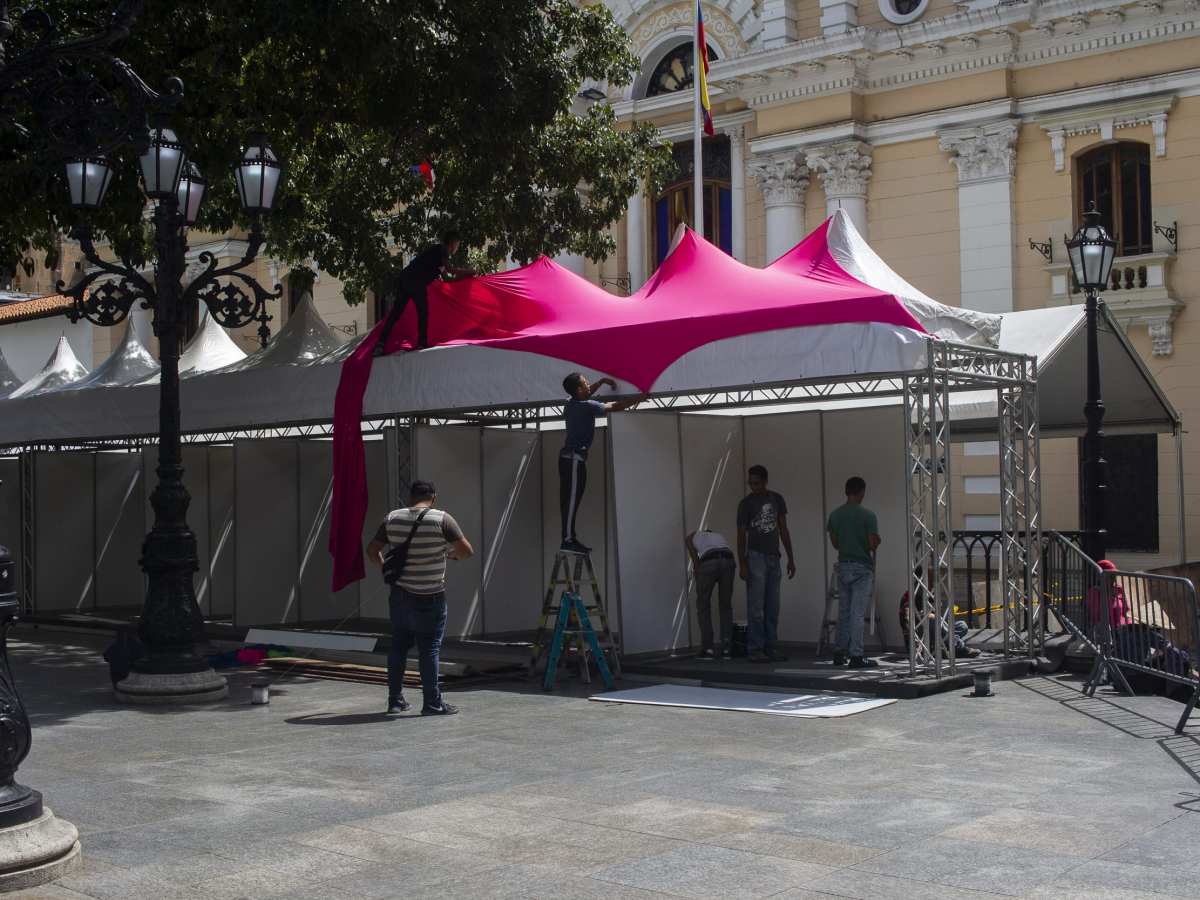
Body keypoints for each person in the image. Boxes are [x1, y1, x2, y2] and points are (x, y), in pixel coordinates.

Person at [366, 479, 474, 716]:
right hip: (431, 595)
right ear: (433, 497)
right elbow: (467, 551)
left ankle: (395, 701)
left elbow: (372, 550)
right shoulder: (442, 519)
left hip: (400, 594)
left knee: (398, 646)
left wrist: (386, 570)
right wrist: (451, 556)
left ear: (410, 497)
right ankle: (432, 703)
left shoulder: (392, 518)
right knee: (429, 649)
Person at [559, 372, 644, 554]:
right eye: (586, 383)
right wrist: (639, 398)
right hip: (573, 459)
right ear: (579, 389)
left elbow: (587, 394)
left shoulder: (571, 403)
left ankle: (569, 537)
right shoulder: (586, 406)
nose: (589, 385)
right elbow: (615, 406)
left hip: (570, 459)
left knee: (570, 500)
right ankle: (567, 540)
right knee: (572, 500)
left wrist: (602, 382)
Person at [374, 229, 474, 354]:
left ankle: (380, 344)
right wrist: (467, 271)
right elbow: (449, 269)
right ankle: (421, 343)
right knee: (423, 312)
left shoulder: (440, 255)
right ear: (453, 243)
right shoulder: (443, 249)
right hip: (416, 281)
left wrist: (465, 277)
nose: (457, 248)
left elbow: (447, 278)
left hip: (405, 279)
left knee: (396, 313)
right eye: (458, 245)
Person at [736, 465, 796, 663]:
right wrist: (742, 563)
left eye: (757, 483)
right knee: (756, 606)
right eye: (750, 483)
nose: (753, 487)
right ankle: (755, 649)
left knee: (773, 606)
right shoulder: (745, 504)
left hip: (773, 557)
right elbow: (740, 535)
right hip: (755, 557)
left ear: (765, 481)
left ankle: (771, 647)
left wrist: (790, 557)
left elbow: (784, 530)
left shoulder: (776, 499)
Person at [827, 475, 880, 669]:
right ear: (862, 492)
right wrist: (875, 541)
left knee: (844, 611)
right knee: (857, 613)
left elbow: (835, 542)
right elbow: (872, 543)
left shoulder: (835, 515)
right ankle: (856, 655)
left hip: (843, 566)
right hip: (861, 567)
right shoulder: (868, 516)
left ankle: (839, 652)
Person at [899, 565, 980, 659]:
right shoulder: (910, 595)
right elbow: (907, 618)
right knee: (932, 619)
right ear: (921, 580)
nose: (933, 583)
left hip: (934, 636)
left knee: (962, 625)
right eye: (930, 579)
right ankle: (959, 648)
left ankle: (945, 647)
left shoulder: (929, 595)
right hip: (920, 640)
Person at [686, 529, 736, 659]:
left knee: (703, 605)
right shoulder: (718, 535)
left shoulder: (693, 536)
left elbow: (696, 561)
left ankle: (708, 649)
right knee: (726, 606)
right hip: (728, 559)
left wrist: (698, 572)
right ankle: (727, 649)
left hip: (709, 561)